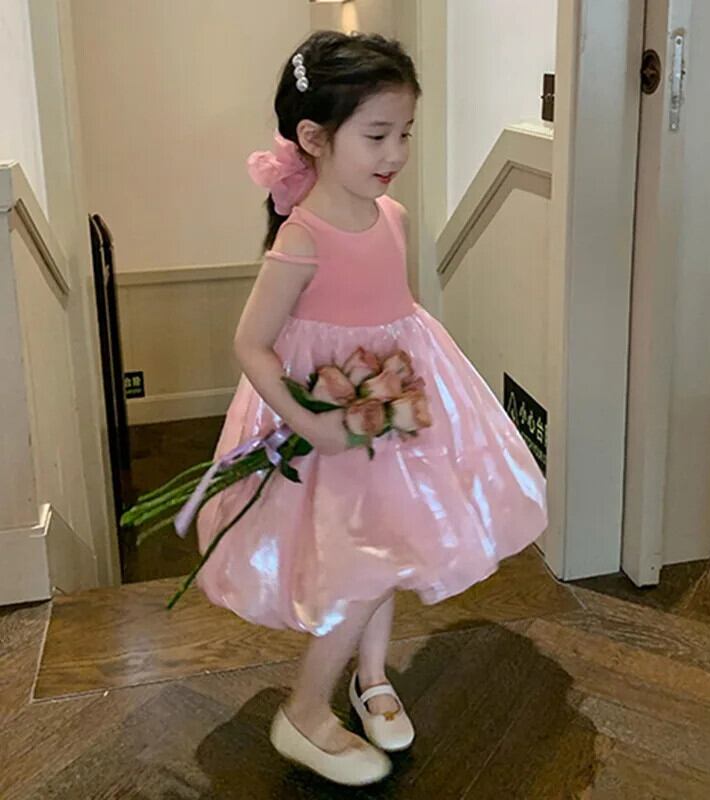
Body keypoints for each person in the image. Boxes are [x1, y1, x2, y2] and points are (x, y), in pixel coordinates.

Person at [195, 29, 547, 787]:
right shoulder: (301, 238)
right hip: (329, 424)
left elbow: (399, 315)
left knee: (391, 549)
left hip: (396, 415)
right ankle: (305, 712)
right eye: (377, 135)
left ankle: (372, 676)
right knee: (362, 561)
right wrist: (312, 422)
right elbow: (251, 343)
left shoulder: (393, 217)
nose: (395, 153)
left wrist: (410, 390)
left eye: (405, 134)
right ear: (314, 137)